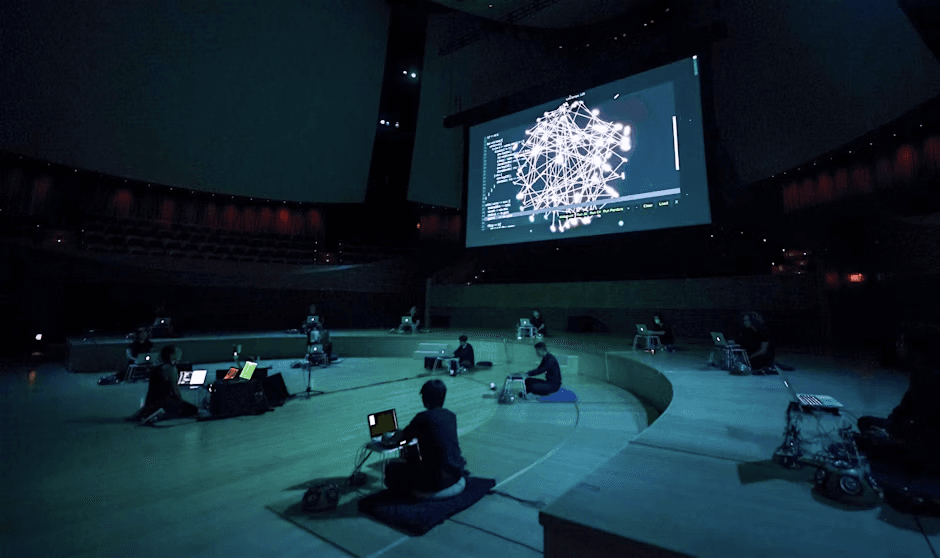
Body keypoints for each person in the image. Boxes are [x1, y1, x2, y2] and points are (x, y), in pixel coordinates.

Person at [857, 331, 940, 475]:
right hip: (911, 432)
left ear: (914, 350)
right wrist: (891, 425)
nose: (898, 347)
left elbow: (927, 425)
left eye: (901, 344)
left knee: (871, 444)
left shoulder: (930, 379)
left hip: (926, 445)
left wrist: (896, 437)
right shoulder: (919, 373)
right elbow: (904, 408)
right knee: (865, 422)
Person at [383, 379, 468, 494]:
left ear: (426, 398)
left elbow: (403, 439)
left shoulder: (422, 418)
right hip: (456, 472)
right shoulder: (451, 416)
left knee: (391, 468)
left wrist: (390, 436)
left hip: (437, 481)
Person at [130, 344, 198, 423]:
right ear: (171, 355)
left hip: (152, 402)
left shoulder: (157, 367)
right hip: (164, 403)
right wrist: (180, 403)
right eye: (178, 352)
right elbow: (174, 390)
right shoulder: (171, 369)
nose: (180, 353)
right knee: (193, 410)